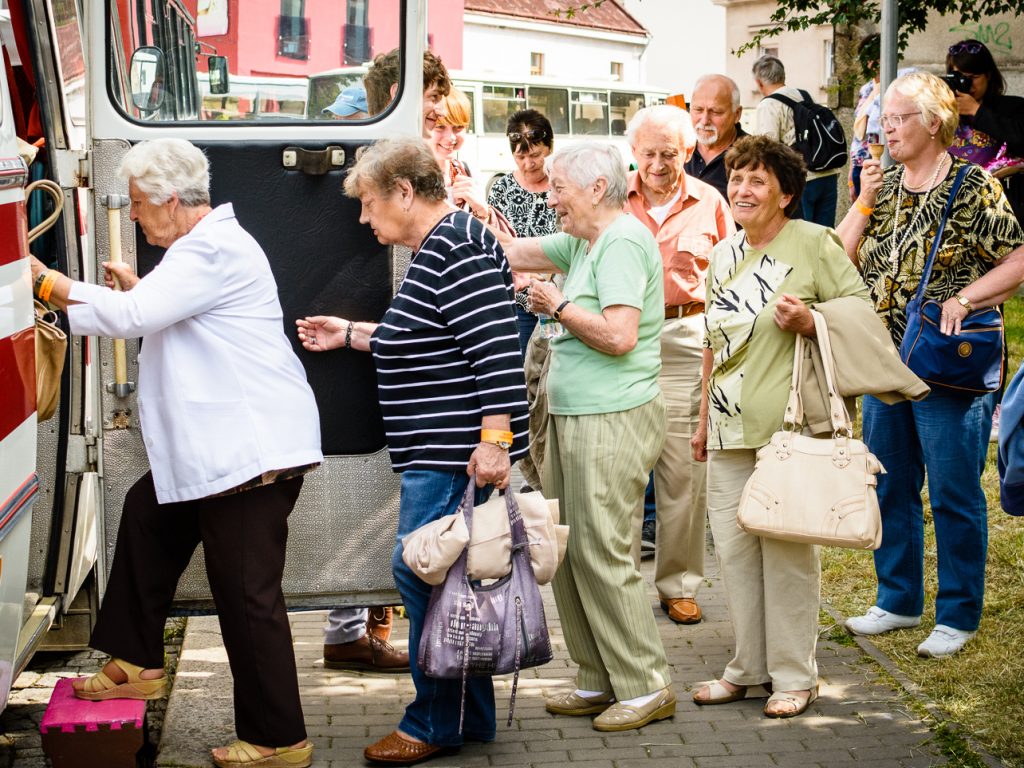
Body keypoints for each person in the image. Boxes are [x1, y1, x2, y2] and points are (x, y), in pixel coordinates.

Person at [28, 138, 323, 767]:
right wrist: (136, 296)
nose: (133, 214)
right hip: (224, 454)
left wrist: (44, 281)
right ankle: (136, 661)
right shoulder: (200, 250)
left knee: (246, 597)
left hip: (249, 457)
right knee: (146, 514)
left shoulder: (210, 249)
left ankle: (279, 740)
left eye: (138, 203)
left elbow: (132, 316)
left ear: (169, 199)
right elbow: (159, 311)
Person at [296, 137, 529, 765]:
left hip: (453, 452)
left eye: (369, 203)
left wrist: (495, 441)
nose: (364, 219)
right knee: (451, 580)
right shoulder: (442, 247)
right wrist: (350, 333)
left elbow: (496, 352)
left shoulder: (456, 246)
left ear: (404, 192)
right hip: (445, 448)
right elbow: (422, 337)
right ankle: (469, 717)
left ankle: (432, 722)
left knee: (422, 575)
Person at [836, 72, 1024, 658]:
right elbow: (837, 259)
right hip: (883, 362)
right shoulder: (884, 184)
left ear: (934, 123)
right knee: (890, 485)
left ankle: (958, 613)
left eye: (898, 118)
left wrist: (966, 298)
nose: (886, 129)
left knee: (952, 492)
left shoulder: (972, 186)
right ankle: (898, 599)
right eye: (884, 119)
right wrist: (864, 199)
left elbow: (1018, 259)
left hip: (946, 367)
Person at [690, 134, 871, 718]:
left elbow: (861, 312)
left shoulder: (814, 242)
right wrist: (701, 420)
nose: (741, 189)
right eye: (736, 178)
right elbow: (711, 344)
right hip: (727, 427)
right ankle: (747, 668)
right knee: (736, 554)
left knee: (788, 556)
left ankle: (796, 675)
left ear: (786, 194)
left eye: (757, 181)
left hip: (788, 433)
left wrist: (812, 319)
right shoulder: (722, 254)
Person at [504, 142, 676, 732]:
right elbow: (512, 250)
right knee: (569, 549)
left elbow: (620, 336)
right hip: (575, 416)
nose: (550, 199)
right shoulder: (583, 239)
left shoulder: (622, 241)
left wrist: (557, 305)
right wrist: (454, 211)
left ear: (597, 189)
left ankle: (646, 684)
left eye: (559, 188)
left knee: (601, 550)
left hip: (612, 416)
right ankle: (598, 676)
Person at [321, 50, 455, 675]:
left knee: (400, 525)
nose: (437, 114)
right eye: (431, 100)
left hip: (393, 348)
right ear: (403, 91)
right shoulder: (384, 158)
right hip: (378, 327)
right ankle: (356, 628)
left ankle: (368, 629)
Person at [625, 104, 735, 625]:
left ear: (687, 151)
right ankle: (621, 588)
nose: (657, 164)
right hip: (623, 342)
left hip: (687, 337)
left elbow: (733, 272)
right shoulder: (613, 198)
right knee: (622, 470)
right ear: (633, 152)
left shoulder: (710, 201)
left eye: (668, 153)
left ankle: (678, 585)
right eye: (648, 153)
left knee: (683, 470)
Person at [488, 109, 559, 357]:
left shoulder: (563, 184)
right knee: (524, 367)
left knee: (554, 365)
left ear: (550, 147)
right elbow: (494, 244)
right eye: (521, 157)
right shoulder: (502, 189)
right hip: (519, 304)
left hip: (559, 301)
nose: (529, 164)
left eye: (536, 155)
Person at [752, 55, 841, 228]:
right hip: (827, 174)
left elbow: (766, 150)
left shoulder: (768, 104)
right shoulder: (804, 95)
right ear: (783, 76)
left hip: (801, 180)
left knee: (802, 234)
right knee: (824, 234)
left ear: (759, 83)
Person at [946, 38, 1024, 224]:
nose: (967, 84)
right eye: (960, 77)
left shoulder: (1013, 107)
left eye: (973, 77)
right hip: (955, 209)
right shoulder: (945, 114)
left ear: (988, 75)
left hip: (1002, 212)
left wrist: (977, 112)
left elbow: (1019, 137)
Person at [685, 74, 747, 202]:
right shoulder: (677, 149)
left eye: (716, 112)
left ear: (737, 114)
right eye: (698, 110)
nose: (704, 120)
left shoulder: (755, 156)